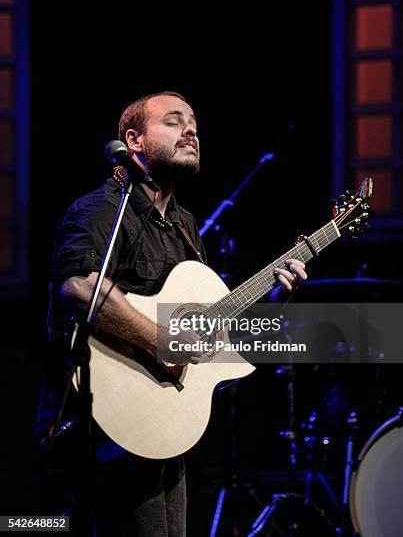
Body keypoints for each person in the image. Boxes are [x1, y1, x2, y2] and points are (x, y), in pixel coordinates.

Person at [36, 91, 307, 536]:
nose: (191, 131)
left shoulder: (185, 227)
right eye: (174, 122)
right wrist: (163, 339)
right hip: (103, 427)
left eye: (195, 124)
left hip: (159, 426)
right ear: (134, 140)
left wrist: (273, 302)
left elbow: (205, 336)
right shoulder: (102, 208)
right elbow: (80, 284)